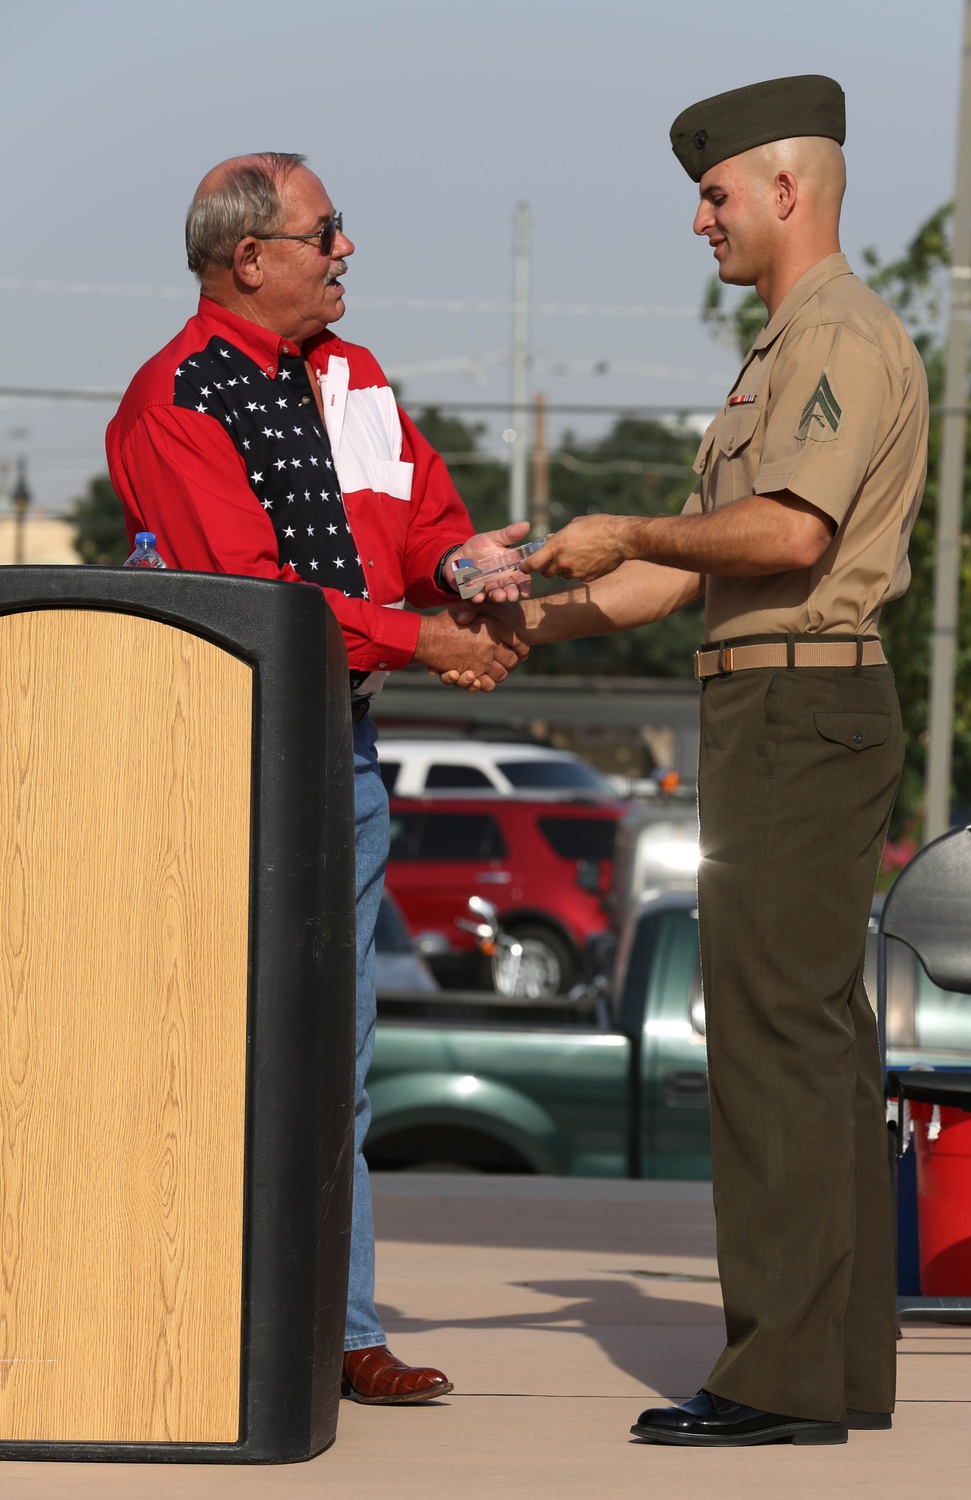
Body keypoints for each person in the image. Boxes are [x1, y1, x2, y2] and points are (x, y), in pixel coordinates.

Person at [460, 75, 928, 1447]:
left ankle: (778, 1379)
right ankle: (834, 1366)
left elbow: (785, 539)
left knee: (777, 1044)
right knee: (817, 1041)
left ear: (788, 191)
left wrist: (626, 528)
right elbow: (683, 577)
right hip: (782, 706)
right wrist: (522, 621)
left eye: (715, 193)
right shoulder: (786, 348)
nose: (699, 219)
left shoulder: (835, 333)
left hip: (801, 708)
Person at [107, 151, 531, 1406]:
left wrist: (464, 573)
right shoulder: (173, 400)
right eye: (327, 231)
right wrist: (422, 638)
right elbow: (259, 610)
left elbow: (420, 519)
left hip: (337, 750)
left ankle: (336, 1328)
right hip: (219, 759)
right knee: (208, 1048)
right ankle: (185, 1311)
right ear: (250, 258)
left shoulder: (354, 378)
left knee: (335, 1055)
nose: (346, 251)